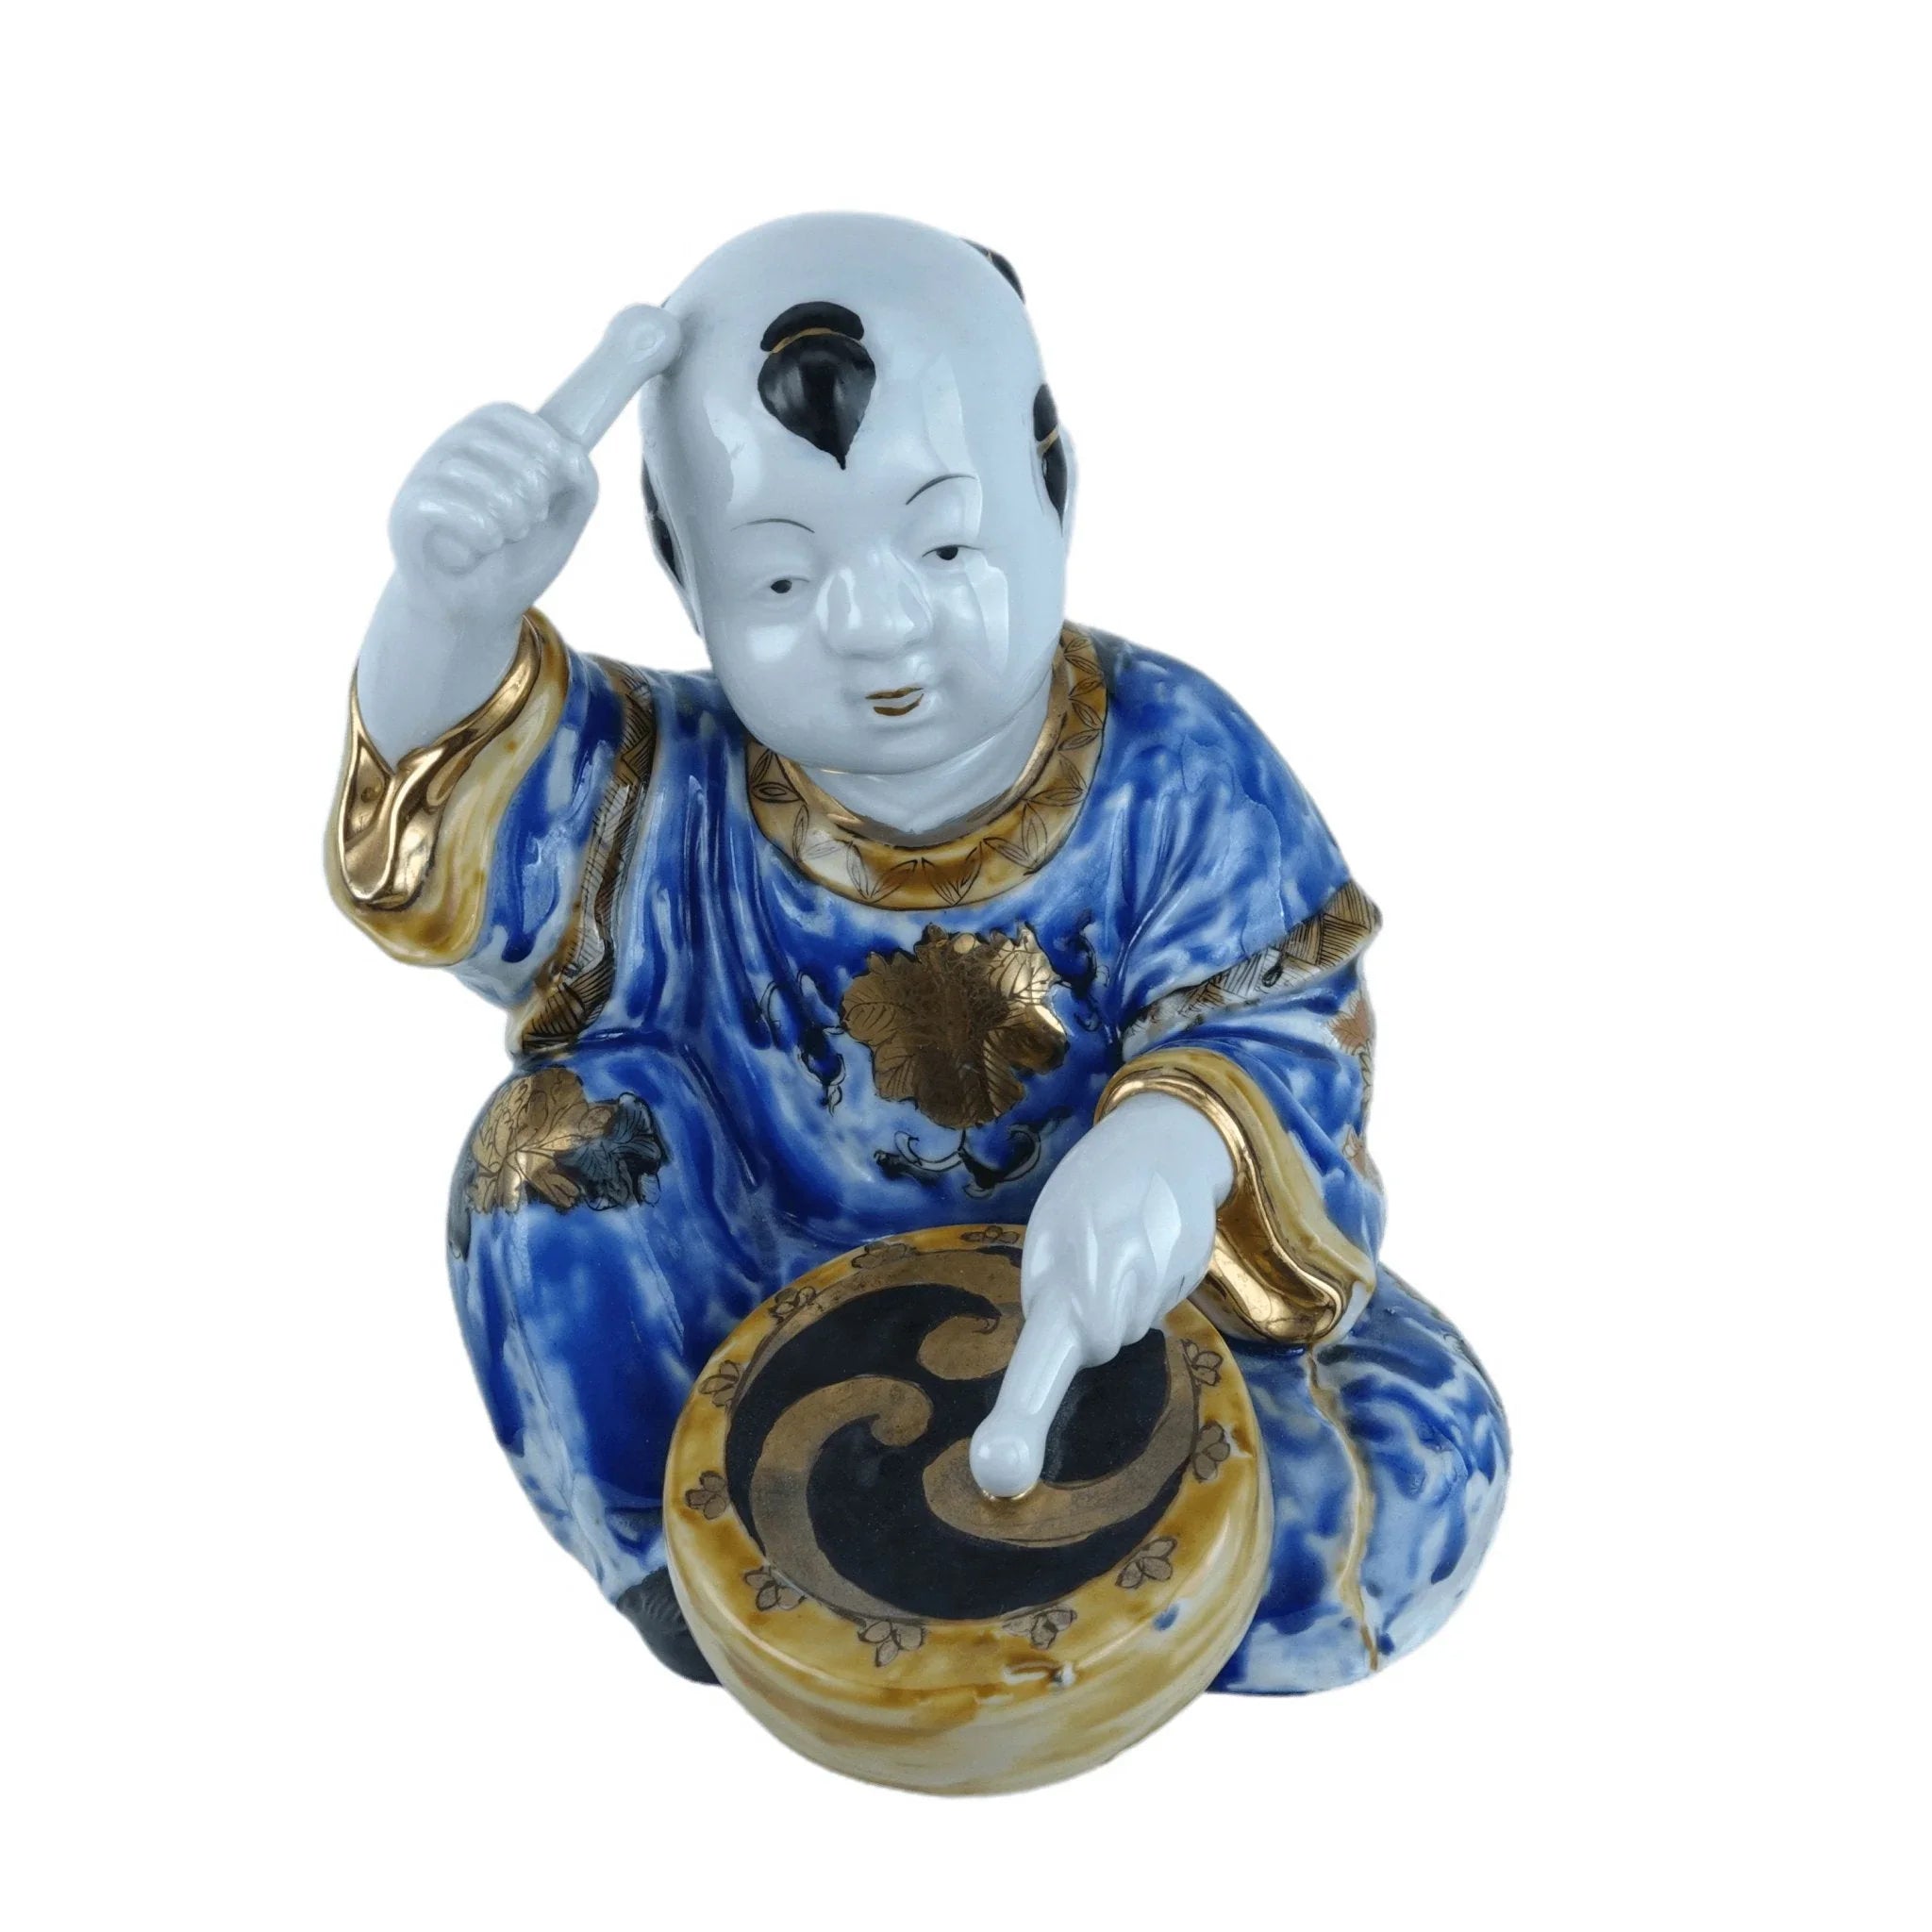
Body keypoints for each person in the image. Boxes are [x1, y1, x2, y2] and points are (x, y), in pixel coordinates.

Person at [329, 212, 1507, 1693]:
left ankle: (1029, 1617)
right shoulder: (666, 790)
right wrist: (447, 610)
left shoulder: (1172, 764)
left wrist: (1178, 1146)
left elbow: (1283, 1014)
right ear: (683, 572)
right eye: (778, 581)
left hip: (1134, 1319)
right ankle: (707, 1580)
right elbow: (456, 825)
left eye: (945, 543)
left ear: (1053, 490)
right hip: (762, 1313)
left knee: (1411, 1474)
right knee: (542, 1159)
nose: (873, 623)